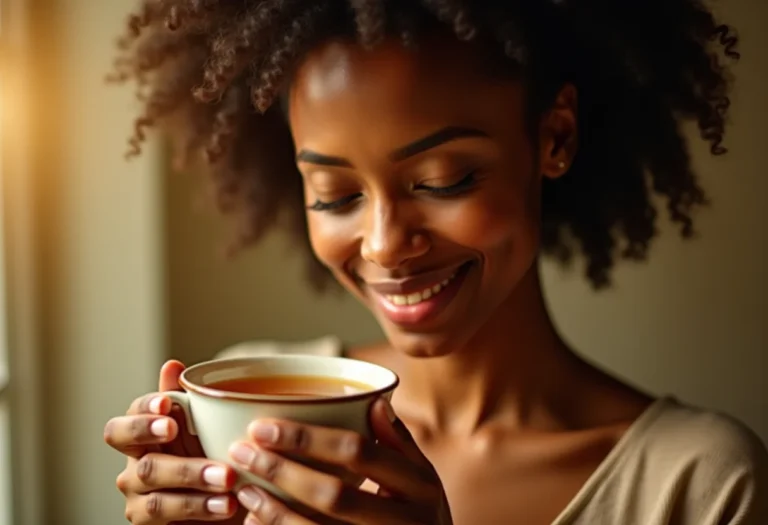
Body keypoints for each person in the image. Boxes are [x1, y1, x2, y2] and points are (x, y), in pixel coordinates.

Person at [102, 1, 768, 524]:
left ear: (554, 137)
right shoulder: (250, 408)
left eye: (444, 180)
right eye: (336, 196)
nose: (385, 243)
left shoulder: (698, 483)